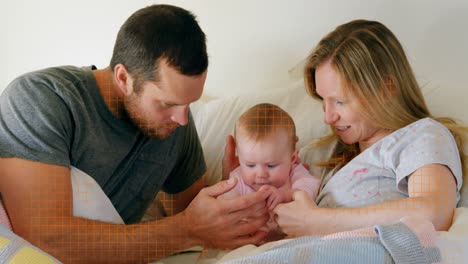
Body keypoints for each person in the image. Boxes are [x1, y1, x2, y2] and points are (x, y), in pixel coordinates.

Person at [0, 4, 270, 263]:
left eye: (190, 104)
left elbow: (196, 215)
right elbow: (44, 241)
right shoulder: (41, 99)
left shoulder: (177, 128)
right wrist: (185, 230)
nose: (182, 119)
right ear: (123, 78)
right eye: (168, 104)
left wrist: (236, 184)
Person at [225, 19, 467, 238]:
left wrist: (318, 221)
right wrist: (243, 190)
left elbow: (433, 213)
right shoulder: (331, 160)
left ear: (386, 89)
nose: (328, 118)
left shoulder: (421, 136)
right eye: (324, 101)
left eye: (340, 101)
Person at [218, 103, 321, 239]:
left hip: (290, 239)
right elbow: (222, 208)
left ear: (292, 158)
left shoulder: (294, 172)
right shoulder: (237, 179)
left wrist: (285, 195)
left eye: (271, 165)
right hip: (250, 243)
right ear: (240, 158)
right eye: (250, 165)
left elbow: (311, 186)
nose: (261, 174)